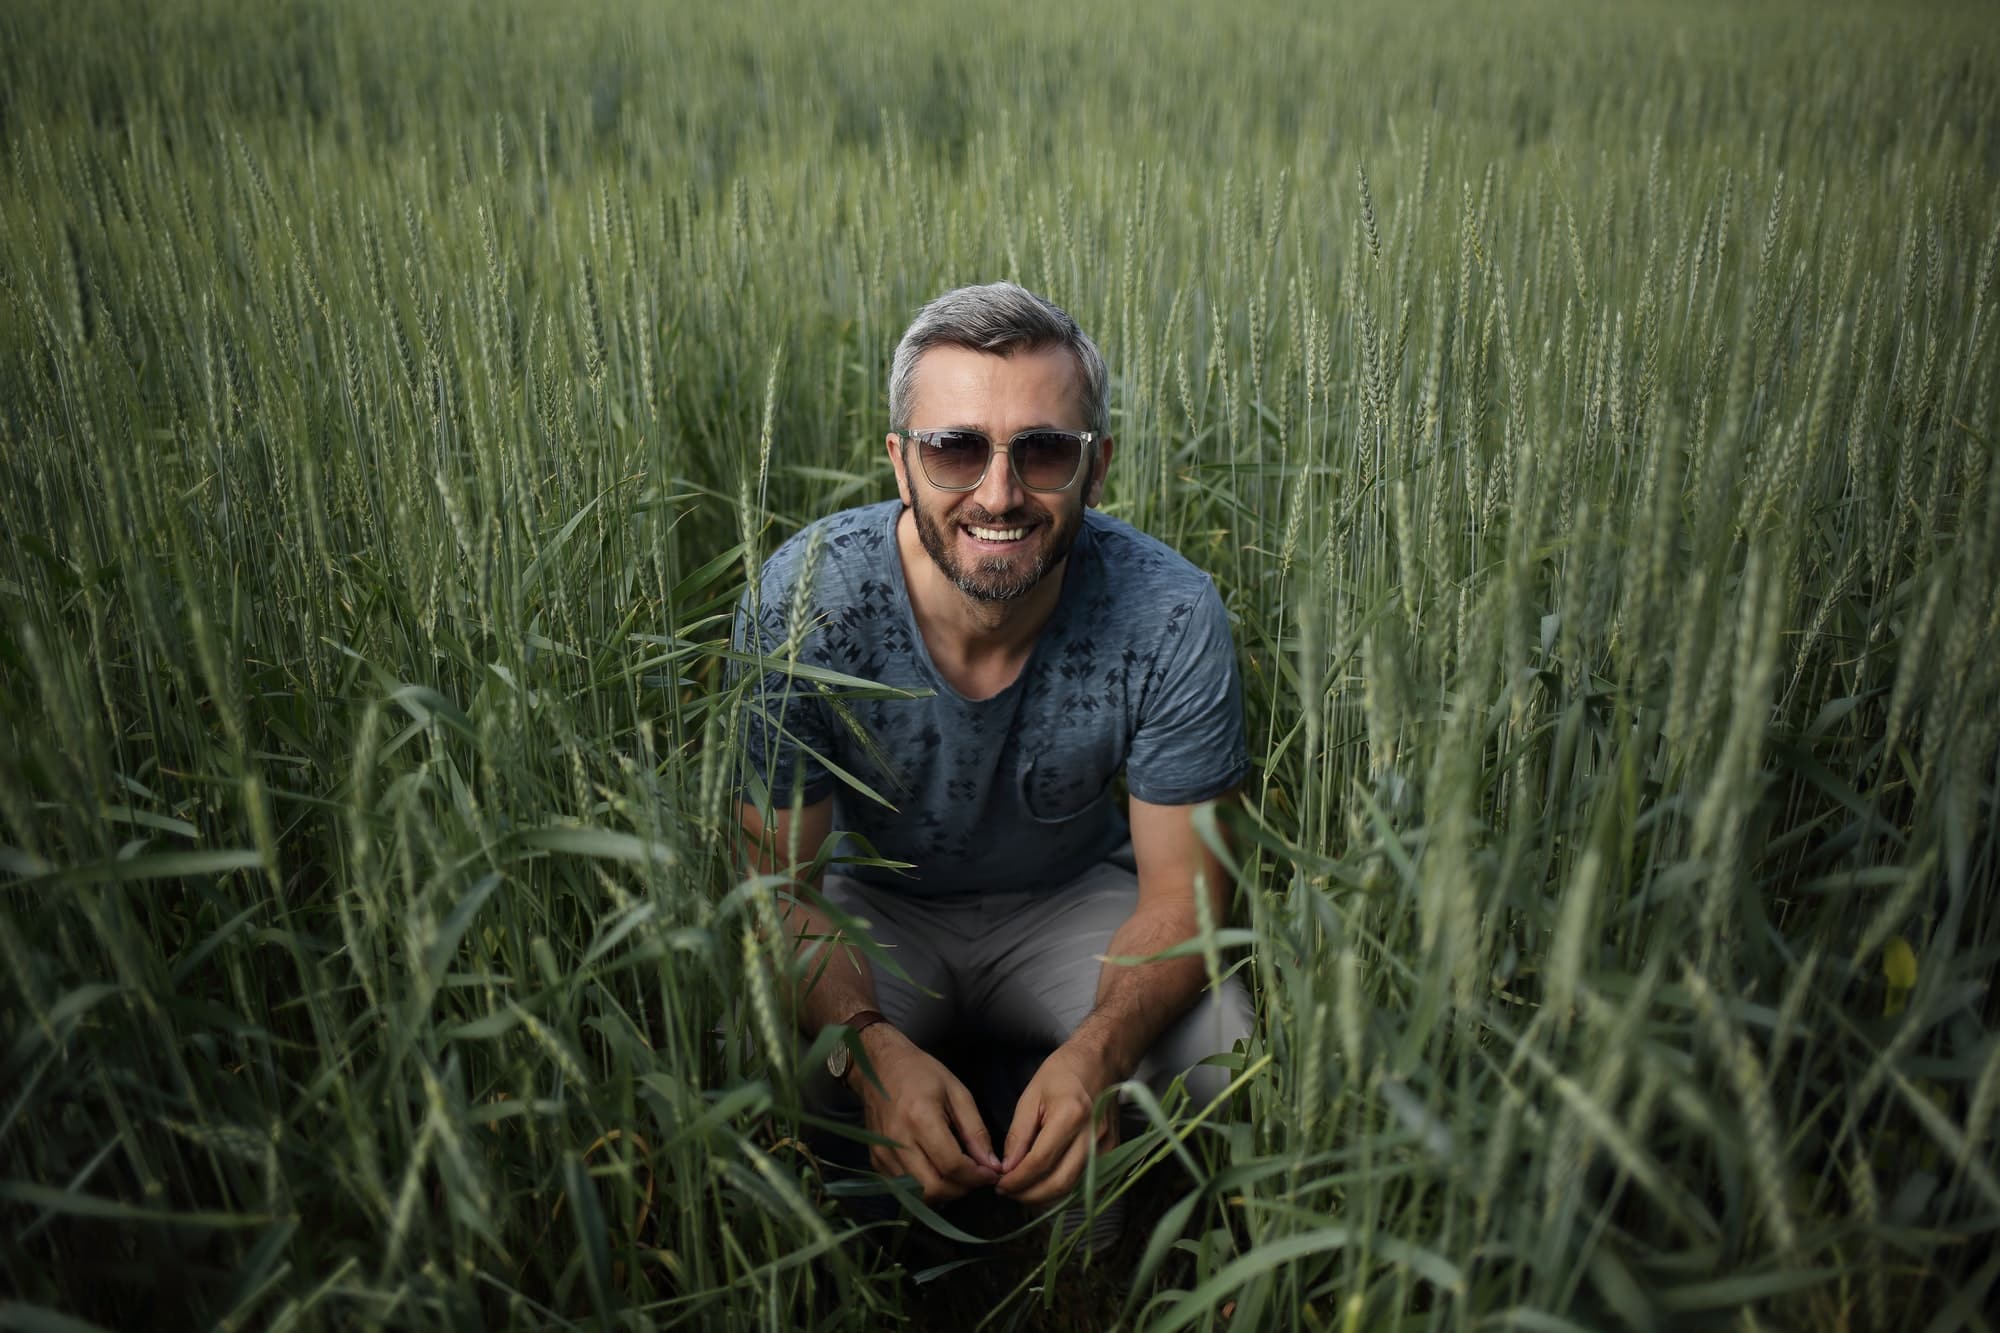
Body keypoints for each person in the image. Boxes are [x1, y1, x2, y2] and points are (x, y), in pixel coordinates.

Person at [734, 281, 1253, 1226]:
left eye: (1045, 449)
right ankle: (865, 1258)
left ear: (1097, 470)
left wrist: (1100, 1047)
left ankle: (1117, 1250)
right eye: (955, 447)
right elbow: (780, 890)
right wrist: (871, 1049)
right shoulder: (803, 603)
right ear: (901, 464)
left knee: (1223, 1042)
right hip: (875, 905)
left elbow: (1185, 894)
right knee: (777, 1051)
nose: (1000, 492)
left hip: (1071, 901)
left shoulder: (1171, 613)